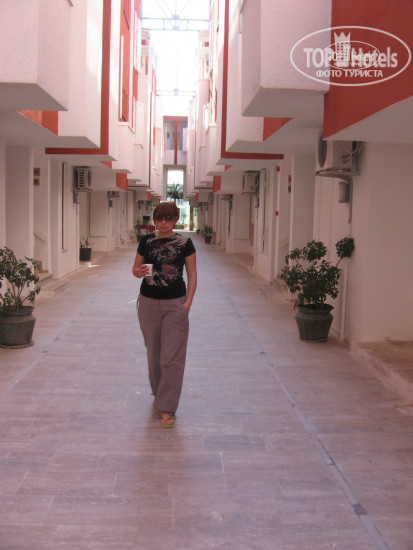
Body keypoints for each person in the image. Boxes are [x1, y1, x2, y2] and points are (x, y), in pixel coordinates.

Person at [132, 202, 197, 428]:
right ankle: (159, 395)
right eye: (159, 218)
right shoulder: (146, 241)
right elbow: (135, 269)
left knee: (170, 359)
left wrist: (187, 304)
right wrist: (139, 271)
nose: (163, 222)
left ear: (175, 219)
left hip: (175, 304)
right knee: (154, 357)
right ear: (155, 219)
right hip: (148, 304)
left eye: (168, 218)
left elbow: (192, 274)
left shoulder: (185, 243)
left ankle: (167, 408)